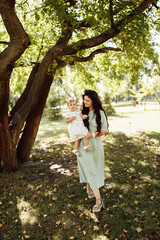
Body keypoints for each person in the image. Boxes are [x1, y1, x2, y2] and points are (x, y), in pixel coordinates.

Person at [77, 90, 109, 213]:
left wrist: (92, 135)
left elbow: (104, 130)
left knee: (93, 170)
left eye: (87, 100)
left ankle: (99, 200)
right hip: (82, 146)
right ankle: (91, 190)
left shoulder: (99, 113)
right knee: (86, 168)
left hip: (95, 146)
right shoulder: (81, 112)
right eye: (84, 100)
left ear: (93, 101)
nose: (84, 102)